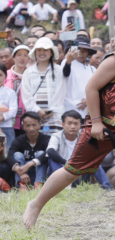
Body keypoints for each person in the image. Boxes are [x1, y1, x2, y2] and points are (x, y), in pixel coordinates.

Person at [24, 53, 115, 229]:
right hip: (101, 125)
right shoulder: (113, 61)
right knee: (73, 170)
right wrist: (96, 122)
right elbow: (91, 88)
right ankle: (36, 204)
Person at [9, 111, 50, 187]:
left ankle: (39, 184)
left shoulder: (46, 139)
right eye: (28, 125)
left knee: (41, 153)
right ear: (23, 126)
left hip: (40, 173)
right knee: (17, 155)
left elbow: (49, 153)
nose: (31, 128)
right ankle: (22, 185)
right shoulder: (19, 140)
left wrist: (29, 164)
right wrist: (20, 171)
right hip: (23, 175)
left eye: (34, 125)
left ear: (39, 125)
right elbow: (10, 156)